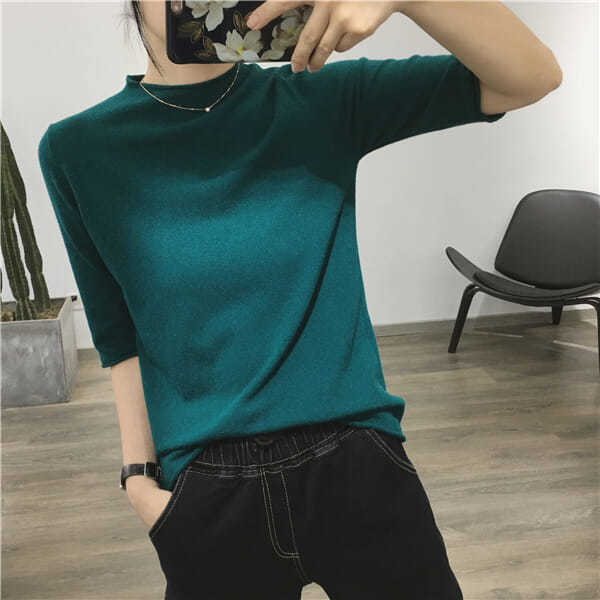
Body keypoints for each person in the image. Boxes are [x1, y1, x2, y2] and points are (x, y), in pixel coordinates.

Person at [37, 0, 561, 598]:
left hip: (357, 466)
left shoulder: (319, 98)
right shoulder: (77, 148)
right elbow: (116, 331)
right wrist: (138, 480)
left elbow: (531, 76)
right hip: (205, 492)